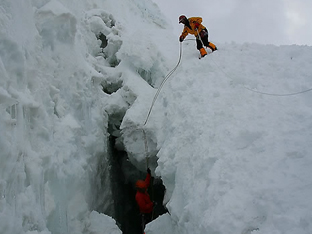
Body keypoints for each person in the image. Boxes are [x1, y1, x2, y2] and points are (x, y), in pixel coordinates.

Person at [135, 168, 155, 234]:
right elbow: (144, 207)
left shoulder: (142, 190)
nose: (145, 189)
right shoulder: (139, 196)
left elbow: (146, 183)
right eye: (143, 188)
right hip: (146, 213)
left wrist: (148, 174)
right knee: (146, 226)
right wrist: (152, 204)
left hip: (149, 210)